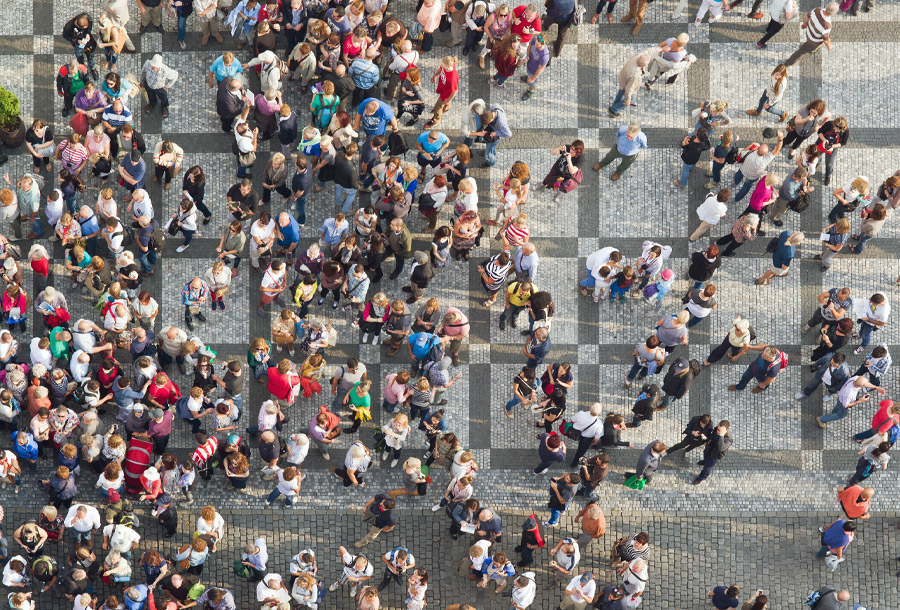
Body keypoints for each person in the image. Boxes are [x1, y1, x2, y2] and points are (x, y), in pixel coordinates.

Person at [785, 3, 838, 67]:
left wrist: (804, 24)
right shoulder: (827, 25)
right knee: (802, 51)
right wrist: (829, 46)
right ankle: (789, 62)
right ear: (833, 13)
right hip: (814, 41)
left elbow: (807, 16)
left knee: (810, 45)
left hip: (809, 32)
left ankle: (812, 49)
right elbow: (826, 39)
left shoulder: (817, 10)